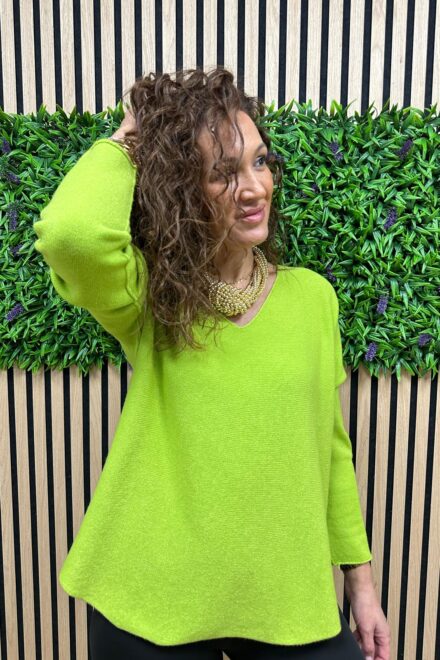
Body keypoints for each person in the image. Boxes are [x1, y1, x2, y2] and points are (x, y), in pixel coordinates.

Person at [32, 67, 390, 659]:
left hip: (283, 594)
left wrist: (362, 584)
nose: (254, 187)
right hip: (152, 594)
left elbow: (328, 447)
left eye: (259, 162)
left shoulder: (312, 299)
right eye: (223, 173)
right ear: (183, 190)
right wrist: (127, 141)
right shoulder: (150, 297)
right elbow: (73, 236)